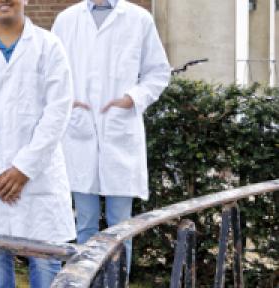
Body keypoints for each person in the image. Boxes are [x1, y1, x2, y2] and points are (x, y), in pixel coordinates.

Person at [0, 0, 75, 286]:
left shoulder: (49, 46)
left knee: (46, 270)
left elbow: (58, 111)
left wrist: (24, 168)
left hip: (38, 179)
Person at [51, 0, 170, 276]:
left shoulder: (139, 19)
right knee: (85, 225)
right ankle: (86, 281)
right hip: (79, 133)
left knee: (121, 227)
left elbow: (158, 71)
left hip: (119, 134)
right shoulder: (67, 20)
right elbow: (51, 72)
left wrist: (132, 99)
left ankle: (118, 282)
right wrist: (68, 103)